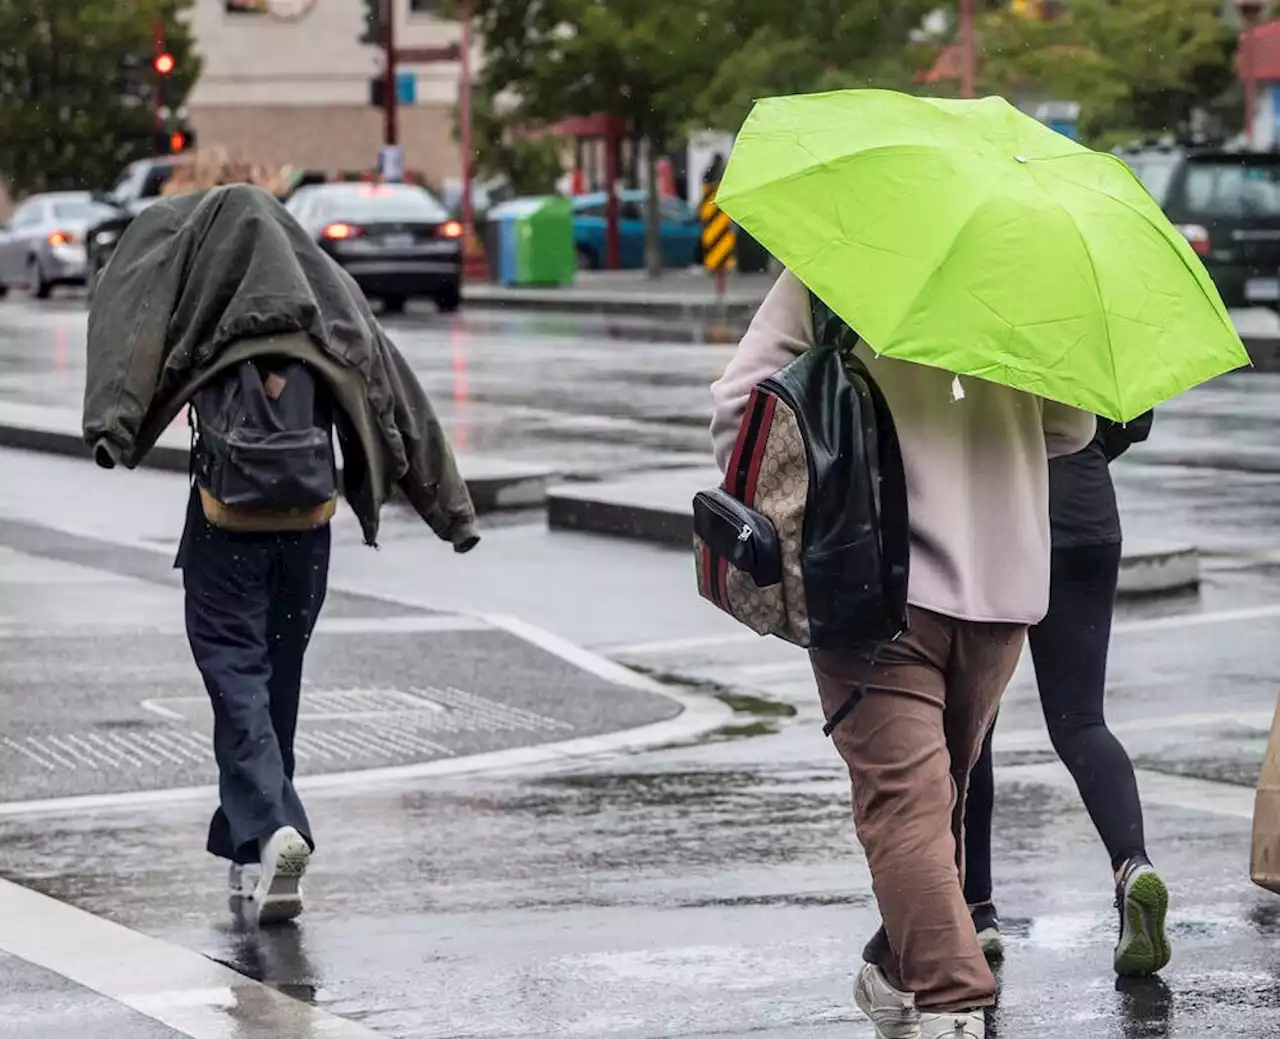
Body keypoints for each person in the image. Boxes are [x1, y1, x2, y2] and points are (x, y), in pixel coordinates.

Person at [710, 270, 1095, 1039]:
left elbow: (737, 408)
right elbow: (1073, 428)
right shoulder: (1028, 270)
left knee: (906, 806)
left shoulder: (837, 264)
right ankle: (893, 968)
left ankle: (953, 1000)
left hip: (871, 579)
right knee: (933, 798)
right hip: (1000, 585)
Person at [84, 184, 479, 926]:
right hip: (307, 531)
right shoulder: (325, 300)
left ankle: (270, 831)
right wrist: (451, 512)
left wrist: (114, 431)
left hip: (226, 526)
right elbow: (401, 396)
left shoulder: (206, 303)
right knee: (276, 682)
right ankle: (252, 847)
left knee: (236, 678)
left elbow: (130, 333)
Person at [963, 413, 1169, 978]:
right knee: (1081, 719)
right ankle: (1132, 866)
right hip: (1084, 509)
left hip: (996, 514)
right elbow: (1135, 417)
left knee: (973, 727)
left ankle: (975, 909)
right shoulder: (1079, 325)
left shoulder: (978, 326)